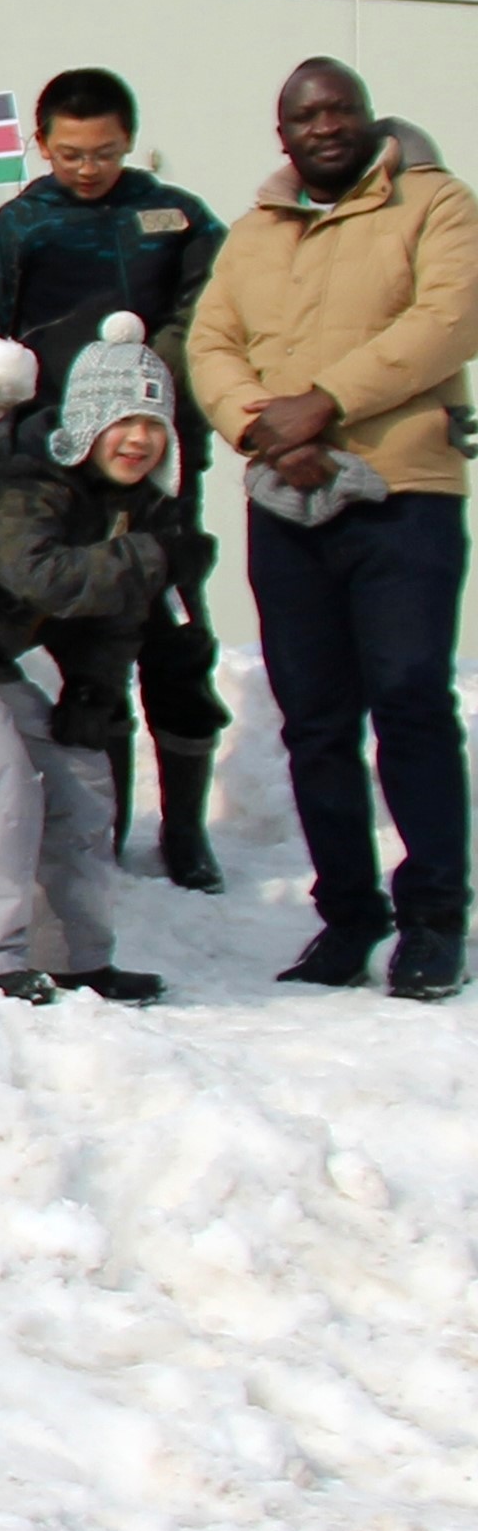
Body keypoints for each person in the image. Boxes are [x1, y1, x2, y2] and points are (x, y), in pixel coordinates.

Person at [188, 56, 478, 997]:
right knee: (314, 722)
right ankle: (348, 918)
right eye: (306, 115)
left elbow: (450, 318)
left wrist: (326, 402)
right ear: (283, 133)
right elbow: (210, 343)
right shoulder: (254, 232)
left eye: (340, 108)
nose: (325, 125)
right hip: (288, 498)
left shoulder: (434, 205)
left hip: (403, 496)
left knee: (409, 701)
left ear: (365, 117)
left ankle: (434, 920)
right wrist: (259, 426)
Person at [0, 320, 195, 1002]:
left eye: (153, 425)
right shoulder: (24, 480)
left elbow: (115, 612)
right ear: (87, 423)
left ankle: (75, 957)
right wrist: (149, 559)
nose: (138, 440)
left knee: (81, 773)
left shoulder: (126, 508)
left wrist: (92, 691)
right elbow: (41, 576)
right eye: (121, 422)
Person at [0, 67, 230, 888]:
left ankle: (185, 829)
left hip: (158, 461)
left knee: (177, 643)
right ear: (41, 145)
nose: (88, 168)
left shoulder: (173, 216)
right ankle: (102, 829)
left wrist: (163, 374)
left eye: (105, 152)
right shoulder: (19, 226)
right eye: (72, 153)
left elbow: (219, 309)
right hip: (64, 470)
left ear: (130, 140)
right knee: (91, 643)